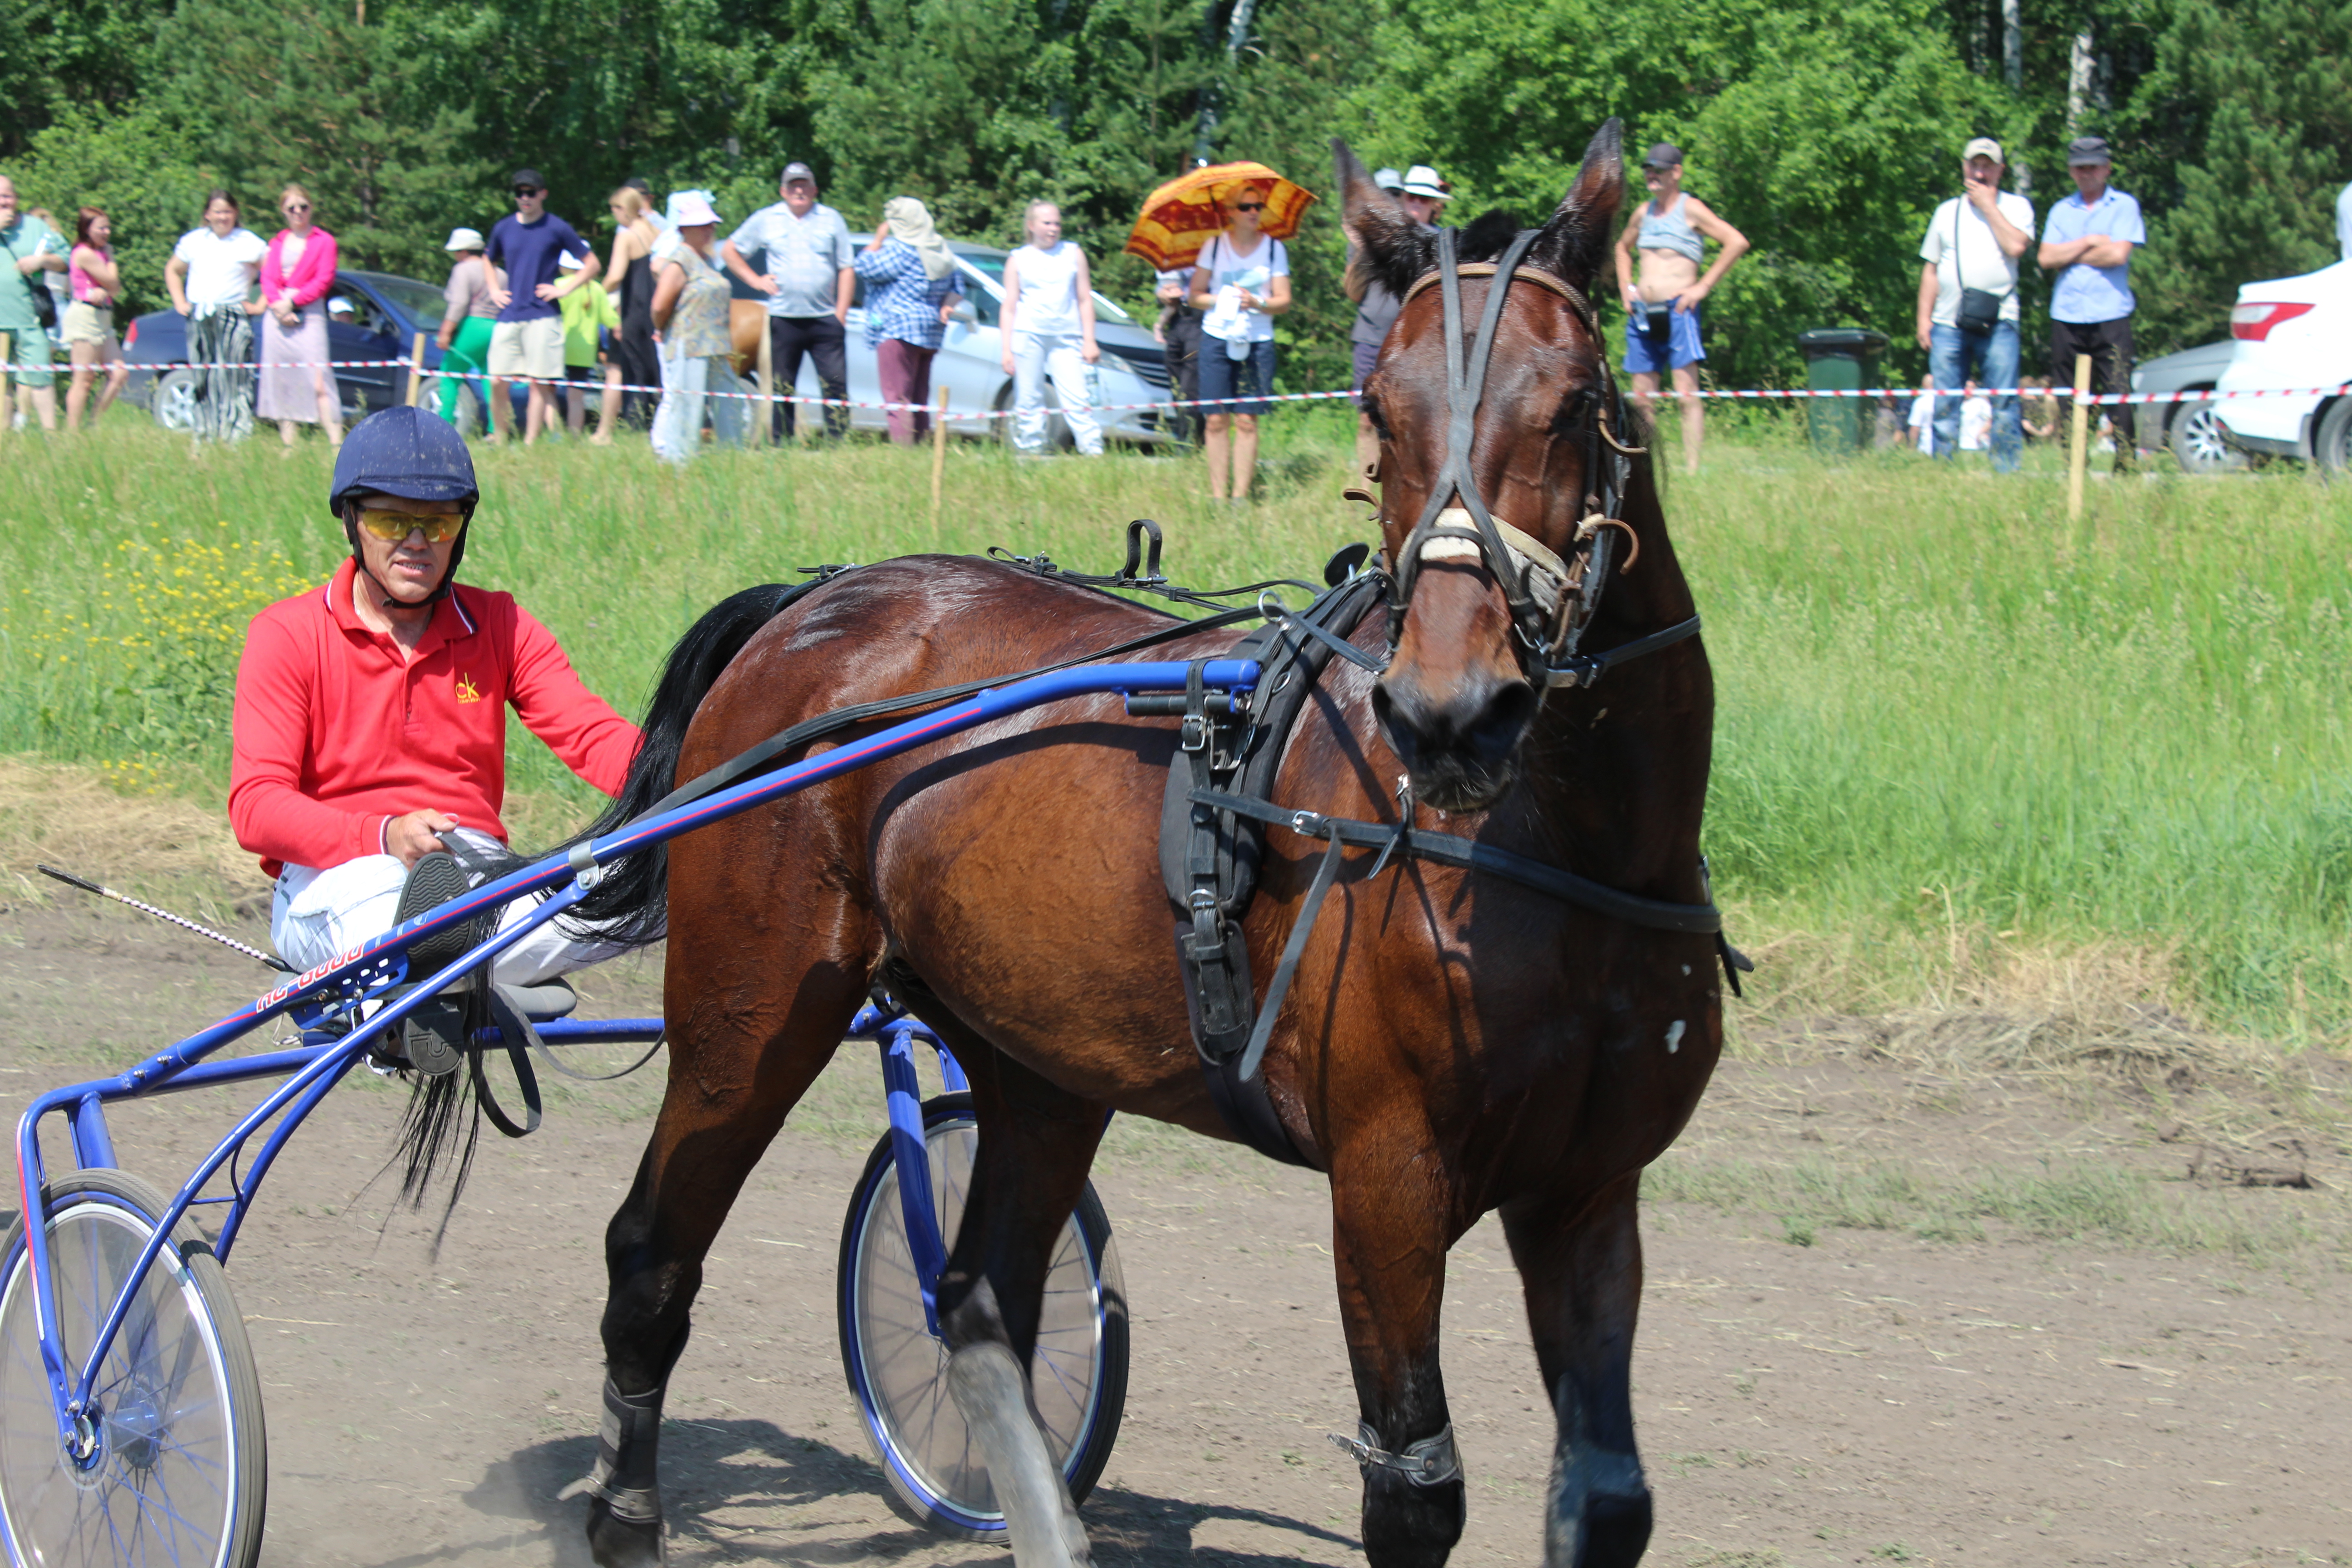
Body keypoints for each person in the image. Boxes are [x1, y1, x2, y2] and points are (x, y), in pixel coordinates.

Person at [229, 407, 640, 1062]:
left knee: (667, 872)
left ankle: (431, 983)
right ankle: (416, 990)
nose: (417, 541)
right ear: (353, 523)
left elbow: (593, 735)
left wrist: (696, 780)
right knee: (390, 902)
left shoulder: (500, 624)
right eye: (394, 522)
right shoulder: (285, 634)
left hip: (478, 884)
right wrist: (383, 835)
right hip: (337, 879)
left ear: (460, 532)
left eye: (439, 524)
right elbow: (255, 807)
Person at [1612, 142, 1749, 475]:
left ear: (1676, 172)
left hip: (1679, 310)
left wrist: (1702, 287)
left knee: (1686, 395)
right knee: (1643, 400)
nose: (1651, 174)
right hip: (1642, 312)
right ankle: (1645, 468)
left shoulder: (1692, 209)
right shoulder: (1643, 213)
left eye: (1658, 169)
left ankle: (1692, 469)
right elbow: (1621, 247)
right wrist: (1626, 288)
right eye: (1648, 169)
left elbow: (1737, 242)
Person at [1912, 137, 2032, 474]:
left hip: (2000, 321)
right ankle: (1943, 472)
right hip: (1948, 323)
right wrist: (1924, 320)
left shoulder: (2017, 207)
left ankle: (2006, 472)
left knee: (2005, 401)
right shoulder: (1946, 211)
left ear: (2000, 170)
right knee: (1945, 403)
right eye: (1974, 165)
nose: (1980, 173)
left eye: (1988, 166)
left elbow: (2017, 247)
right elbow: (1931, 268)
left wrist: (1989, 206)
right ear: (1964, 167)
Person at [722, 162, 853, 441]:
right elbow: (730, 250)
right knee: (782, 386)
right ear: (783, 191)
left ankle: (839, 442)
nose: (799, 190)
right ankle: (782, 443)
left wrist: (841, 313)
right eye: (793, 185)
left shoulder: (832, 219)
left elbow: (847, 268)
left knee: (835, 384)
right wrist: (756, 281)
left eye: (804, 184)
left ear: (814, 189)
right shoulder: (767, 218)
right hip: (784, 317)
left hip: (825, 317)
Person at [2037, 135, 2145, 472]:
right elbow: (2045, 257)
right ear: (2071, 172)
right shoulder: (2060, 210)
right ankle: (2074, 468)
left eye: (2093, 167)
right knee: (2068, 399)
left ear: (2107, 169)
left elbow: (2117, 254)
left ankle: (2125, 466)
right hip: (2066, 315)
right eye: (2079, 168)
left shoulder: (2124, 206)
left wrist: (2069, 254)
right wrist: (2087, 242)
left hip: (2110, 314)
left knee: (2118, 395)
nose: (2087, 173)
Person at [1188, 181, 1291, 501]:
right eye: (1246, 207)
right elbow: (1194, 296)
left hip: (1257, 339)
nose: (1253, 213)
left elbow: (1284, 301)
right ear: (1231, 212)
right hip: (1217, 337)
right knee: (1216, 418)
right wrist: (1222, 298)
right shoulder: (1215, 247)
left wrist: (1256, 302)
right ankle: (1219, 496)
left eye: (1258, 207)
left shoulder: (1274, 248)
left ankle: (1240, 497)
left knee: (1247, 420)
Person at [484, 167, 598, 446]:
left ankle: (530, 443)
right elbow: (488, 259)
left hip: (544, 315)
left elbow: (593, 264)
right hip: (510, 314)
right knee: (498, 380)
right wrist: (494, 290)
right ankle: (499, 437)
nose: (525, 198)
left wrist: (564, 288)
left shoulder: (556, 227)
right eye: (520, 193)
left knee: (539, 383)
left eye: (531, 193)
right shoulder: (504, 227)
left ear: (543, 194)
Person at [1347, 165, 1446, 482]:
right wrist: (1364, 250)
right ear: (1402, 198)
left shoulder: (1446, 243)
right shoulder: (1374, 239)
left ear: (1434, 205)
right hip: (1372, 337)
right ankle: (1367, 487)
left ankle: (1411, 483)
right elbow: (1352, 293)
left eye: (1424, 199)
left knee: (1418, 418)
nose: (1416, 203)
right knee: (1367, 418)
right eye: (1411, 197)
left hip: (1420, 343)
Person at [855, 196, 964, 446]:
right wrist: (947, 305)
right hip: (930, 333)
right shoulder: (940, 249)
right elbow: (959, 286)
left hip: (898, 329)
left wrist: (878, 240)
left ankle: (904, 454)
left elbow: (864, 267)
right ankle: (922, 448)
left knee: (897, 398)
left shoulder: (902, 250)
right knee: (919, 398)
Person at [1000, 201, 1103, 458]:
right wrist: (1006, 349)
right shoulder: (1018, 258)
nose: (1053, 228)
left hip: (1066, 335)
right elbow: (1010, 306)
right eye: (1047, 223)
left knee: (1077, 396)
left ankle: (1092, 449)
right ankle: (1031, 448)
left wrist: (1089, 340)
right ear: (1032, 226)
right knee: (1028, 395)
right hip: (1029, 334)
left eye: (1057, 223)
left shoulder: (1073, 253)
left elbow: (1084, 299)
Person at [166, 190, 269, 444]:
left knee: (234, 376)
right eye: (217, 212)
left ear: (235, 214)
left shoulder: (249, 242)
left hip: (234, 313)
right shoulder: (194, 240)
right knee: (203, 375)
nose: (223, 217)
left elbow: (273, 273)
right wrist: (179, 301)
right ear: (207, 214)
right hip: (200, 314)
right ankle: (204, 433)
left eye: (228, 212)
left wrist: (260, 305)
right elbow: (173, 269)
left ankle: (236, 435)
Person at [649, 193, 734, 465]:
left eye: (711, 225)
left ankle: (732, 456)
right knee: (687, 405)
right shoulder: (679, 260)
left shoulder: (708, 260)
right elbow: (660, 306)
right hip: (689, 345)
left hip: (716, 346)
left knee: (730, 402)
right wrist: (662, 330)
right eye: (702, 225)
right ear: (685, 230)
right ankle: (677, 462)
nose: (709, 230)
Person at [256, 185, 343, 449]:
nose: (298, 212)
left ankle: (336, 443)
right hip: (277, 316)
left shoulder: (324, 241)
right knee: (283, 380)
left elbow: (324, 280)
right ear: (283, 211)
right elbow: (268, 278)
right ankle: (289, 444)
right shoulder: (277, 242)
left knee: (319, 378)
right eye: (292, 208)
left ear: (311, 208)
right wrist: (278, 306)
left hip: (309, 312)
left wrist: (293, 302)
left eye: (303, 207)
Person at [0, 176, 66, 433]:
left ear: (16, 198)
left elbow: (64, 259)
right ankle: (3, 441)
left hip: (29, 317)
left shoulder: (36, 227)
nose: (4, 202)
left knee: (41, 378)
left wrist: (42, 262)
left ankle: (51, 439)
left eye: (7, 196)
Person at [63, 208, 131, 433]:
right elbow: (113, 281)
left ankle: (93, 423)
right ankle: (72, 432)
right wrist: (111, 260)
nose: (107, 232)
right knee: (84, 379)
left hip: (103, 316)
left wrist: (108, 288)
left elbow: (115, 287)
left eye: (108, 227)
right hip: (85, 316)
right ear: (86, 229)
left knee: (119, 373)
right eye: (101, 228)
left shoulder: (100, 253)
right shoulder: (85, 253)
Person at [600, 188, 662, 426]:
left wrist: (598, 291)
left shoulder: (626, 236)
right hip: (656, 308)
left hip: (634, 309)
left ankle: (637, 422)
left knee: (635, 370)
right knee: (656, 368)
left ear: (624, 209)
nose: (614, 215)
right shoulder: (657, 232)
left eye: (615, 210)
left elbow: (616, 275)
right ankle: (657, 421)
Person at [432, 227, 498, 429]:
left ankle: (444, 426)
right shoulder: (499, 272)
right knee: (491, 378)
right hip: (497, 326)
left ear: (463, 251)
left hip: (472, 325)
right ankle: (497, 429)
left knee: (450, 374)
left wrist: (446, 332)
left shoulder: (463, 270)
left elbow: (459, 303)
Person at [555, 251, 622, 442]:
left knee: (545, 393)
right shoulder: (597, 289)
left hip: (558, 347)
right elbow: (610, 320)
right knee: (576, 398)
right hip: (585, 351)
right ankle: (574, 436)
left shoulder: (559, 286)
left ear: (564, 266)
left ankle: (555, 434)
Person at [1152, 261, 1200, 442]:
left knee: (1191, 384)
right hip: (1178, 321)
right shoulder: (1179, 249)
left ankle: (1190, 443)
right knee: (1176, 382)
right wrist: (1162, 294)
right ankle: (1183, 433)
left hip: (1201, 320)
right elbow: (1163, 286)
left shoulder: (1216, 247)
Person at [1959, 378, 1992, 453]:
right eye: (1967, 386)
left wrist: (1981, 433)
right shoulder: (1961, 403)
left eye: (1971, 387)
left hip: (1977, 445)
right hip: (1963, 445)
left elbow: (1989, 421)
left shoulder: (1981, 403)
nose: (1968, 389)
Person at [1906, 375, 1935, 454]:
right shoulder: (1944, 401)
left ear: (1923, 384)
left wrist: (1912, 448)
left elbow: (1915, 428)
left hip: (1926, 448)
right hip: (1944, 448)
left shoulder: (1920, 402)